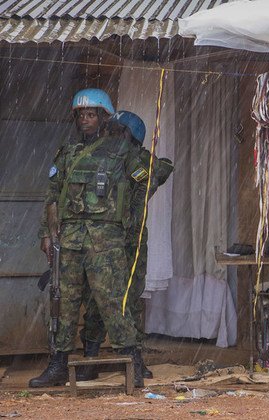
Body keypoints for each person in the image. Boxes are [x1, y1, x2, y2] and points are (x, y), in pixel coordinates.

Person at [29, 89, 147, 388]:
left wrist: (128, 218)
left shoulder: (122, 152)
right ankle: (57, 365)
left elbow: (147, 179)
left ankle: (133, 363)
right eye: (81, 114)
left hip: (105, 240)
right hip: (69, 240)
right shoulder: (67, 153)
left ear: (105, 117)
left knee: (112, 303)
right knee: (63, 303)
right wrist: (46, 234)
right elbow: (53, 196)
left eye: (92, 114)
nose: (85, 119)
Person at [76, 111, 174, 381]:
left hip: (130, 242)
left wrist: (138, 159)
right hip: (103, 239)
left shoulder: (139, 162)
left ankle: (134, 359)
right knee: (96, 299)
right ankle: (91, 358)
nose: (109, 135)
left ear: (128, 136)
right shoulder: (100, 158)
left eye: (116, 131)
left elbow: (162, 169)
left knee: (129, 299)